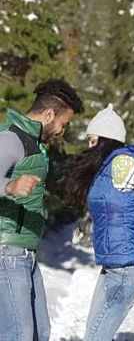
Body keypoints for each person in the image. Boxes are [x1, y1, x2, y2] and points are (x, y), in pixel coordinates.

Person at [55, 104, 134, 341]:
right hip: (113, 265)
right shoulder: (106, 168)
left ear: (105, 139)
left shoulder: (122, 164)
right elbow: (112, 206)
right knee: (95, 334)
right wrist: (88, 224)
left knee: (95, 336)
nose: (89, 146)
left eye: (92, 140)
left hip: (128, 267)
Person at [0, 79, 84, 341]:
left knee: (39, 332)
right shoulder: (10, 139)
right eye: (63, 124)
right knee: (18, 334)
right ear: (49, 115)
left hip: (25, 252)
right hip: (8, 251)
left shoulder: (34, 145)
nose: (61, 131)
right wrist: (11, 186)